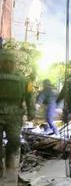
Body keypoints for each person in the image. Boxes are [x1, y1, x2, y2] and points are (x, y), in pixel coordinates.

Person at [0, 49, 35, 177]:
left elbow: (30, 96)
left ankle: (9, 156)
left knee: (15, 140)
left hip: (14, 115)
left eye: (11, 62)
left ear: (15, 64)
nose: (8, 64)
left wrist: (31, 110)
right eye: (5, 61)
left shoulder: (24, 80)